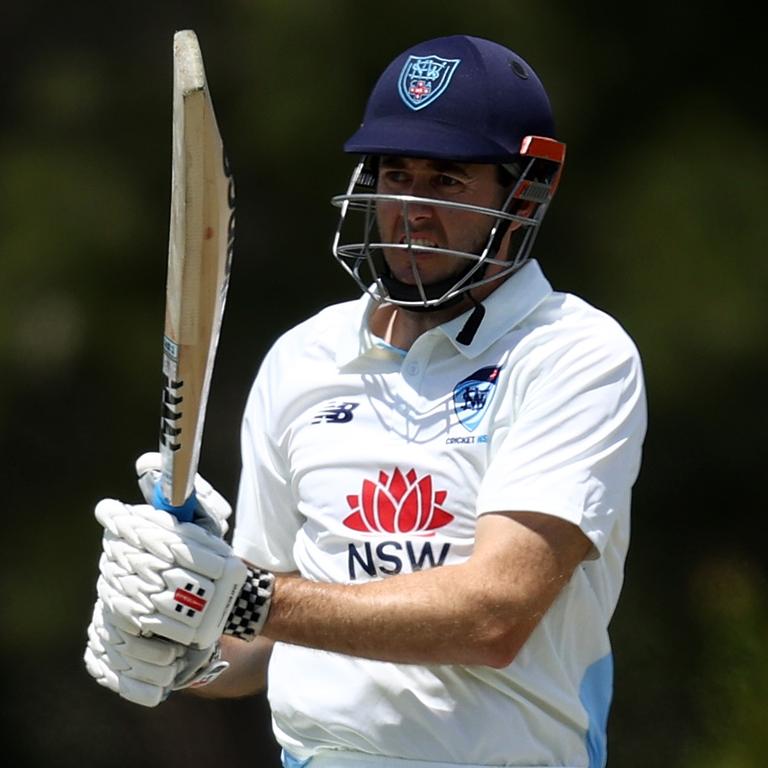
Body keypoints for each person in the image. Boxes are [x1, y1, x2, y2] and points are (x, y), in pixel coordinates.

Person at [85, 34, 647, 768]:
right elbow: (256, 651)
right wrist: (174, 633)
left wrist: (241, 598)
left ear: (524, 192)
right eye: (393, 173)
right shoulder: (303, 359)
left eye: (447, 179)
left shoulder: (573, 354)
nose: (409, 207)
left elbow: (494, 617)